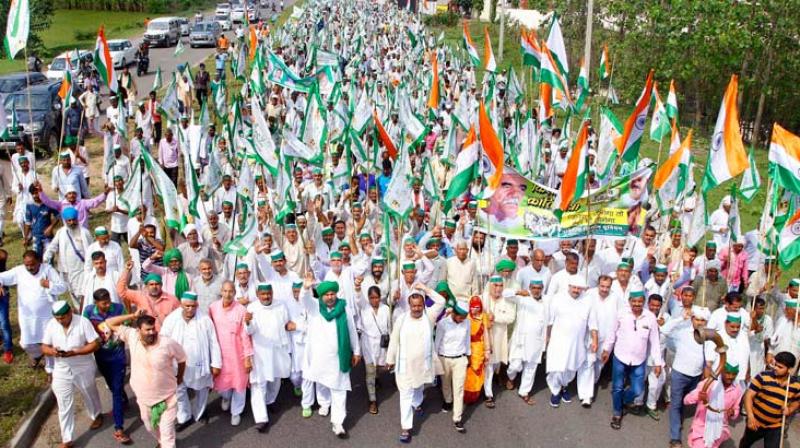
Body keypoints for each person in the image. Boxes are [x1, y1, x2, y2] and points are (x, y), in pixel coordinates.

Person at [106, 311, 187, 448]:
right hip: (144, 399)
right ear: (138, 330)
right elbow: (110, 322)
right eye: (147, 329)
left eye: (153, 328)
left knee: (168, 436)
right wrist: (132, 316)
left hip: (167, 399)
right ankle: (160, 441)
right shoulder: (132, 336)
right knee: (150, 427)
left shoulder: (167, 343)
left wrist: (179, 376)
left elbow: (182, 358)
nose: (151, 332)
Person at [299, 278, 361, 437]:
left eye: (332, 293)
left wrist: (356, 351)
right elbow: (304, 299)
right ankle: (324, 404)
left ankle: (338, 422)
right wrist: (306, 288)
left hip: (339, 356)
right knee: (322, 382)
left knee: (339, 388)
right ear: (321, 296)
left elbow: (352, 330)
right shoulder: (314, 307)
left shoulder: (344, 307)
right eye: (326, 294)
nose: (330, 297)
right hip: (320, 357)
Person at [385, 284, 445, 443]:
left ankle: (417, 403)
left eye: (420, 305)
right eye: (414, 306)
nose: (417, 308)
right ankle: (406, 428)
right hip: (404, 366)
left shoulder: (429, 316)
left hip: (422, 365)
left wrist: (425, 289)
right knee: (405, 395)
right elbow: (394, 340)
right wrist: (390, 359)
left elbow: (441, 301)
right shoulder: (401, 319)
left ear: (424, 305)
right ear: (409, 305)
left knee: (418, 387)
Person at [41, 300, 103, 447]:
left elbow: (95, 344)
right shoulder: (52, 324)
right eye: (57, 318)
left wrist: (75, 352)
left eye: (62, 317)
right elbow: (44, 347)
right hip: (61, 369)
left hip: (83, 367)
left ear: (70, 313)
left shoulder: (83, 322)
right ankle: (67, 439)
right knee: (64, 404)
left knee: (89, 392)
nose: (60, 321)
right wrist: (53, 352)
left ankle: (96, 414)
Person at [601, 290, 663, 429]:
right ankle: (617, 413)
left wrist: (658, 363)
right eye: (634, 301)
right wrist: (606, 350)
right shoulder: (621, 313)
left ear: (644, 302)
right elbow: (612, 333)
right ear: (629, 301)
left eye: (640, 301)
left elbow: (655, 342)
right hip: (620, 357)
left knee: (637, 389)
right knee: (617, 387)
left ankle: (621, 400)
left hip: (639, 360)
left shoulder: (650, 317)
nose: (636, 304)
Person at [161, 291, 222, 432]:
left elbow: (214, 342)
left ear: (197, 305)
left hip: (200, 363)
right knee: (179, 390)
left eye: (193, 306)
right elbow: (163, 340)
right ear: (181, 305)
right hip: (177, 365)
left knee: (201, 389)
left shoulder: (205, 320)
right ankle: (184, 417)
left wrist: (216, 364)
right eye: (187, 306)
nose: (190, 309)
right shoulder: (171, 319)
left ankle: (200, 412)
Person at [0, 250, 67, 368]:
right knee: (26, 343)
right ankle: (37, 355)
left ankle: (50, 369)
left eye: (32, 264)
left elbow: (63, 287)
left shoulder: (48, 270)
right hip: (27, 316)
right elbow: (1, 277)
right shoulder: (19, 271)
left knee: (49, 342)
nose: (29, 267)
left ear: (39, 262)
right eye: (27, 265)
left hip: (47, 315)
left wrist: (50, 285)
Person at [82, 288, 131, 444]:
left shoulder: (118, 308)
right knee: (112, 386)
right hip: (101, 356)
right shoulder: (89, 312)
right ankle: (123, 399)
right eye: (104, 303)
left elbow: (128, 324)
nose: (108, 305)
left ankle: (119, 428)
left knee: (115, 390)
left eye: (109, 301)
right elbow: (84, 330)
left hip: (118, 355)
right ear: (96, 303)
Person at [245, 283, 293, 432]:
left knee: (276, 379)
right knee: (259, 384)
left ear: (272, 293)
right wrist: (247, 322)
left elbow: (286, 324)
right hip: (260, 352)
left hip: (278, 350)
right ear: (258, 295)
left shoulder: (281, 305)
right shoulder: (252, 308)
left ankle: (270, 400)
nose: (266, 296)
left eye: (268, 293)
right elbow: (249, 331)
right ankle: (261, 419)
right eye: (263, 294)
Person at [546, 275, 598, 408]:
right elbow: (550, 320)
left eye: (578, 288)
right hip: (558, 340)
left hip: (576, 343)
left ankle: (564, 386)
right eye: (574, 287)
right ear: (569, 286)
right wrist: (547, 338)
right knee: (557, 368)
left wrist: (595, 340)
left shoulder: (588, 301)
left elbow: (593, 324)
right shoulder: (558, 298)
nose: (576, 290)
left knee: (571, 369)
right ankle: (555, 391)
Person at [663, 305, 711, 448]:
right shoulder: (682, 331)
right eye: (697, 319)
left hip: (696, 377)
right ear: (692, 319)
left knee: (687, 402)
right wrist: (680, 319)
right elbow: (664, 330)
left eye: (703, 320)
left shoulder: (708, 336)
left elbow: (709, 355)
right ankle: (675, 437)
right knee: (676, 404)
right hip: (679, 374)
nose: (700, 322)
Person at [209, 281, 253, 426]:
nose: (228, 294)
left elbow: (245, 336)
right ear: (221, 291)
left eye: (231, 291)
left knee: (239, 384)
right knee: (223, 386)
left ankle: (236, 412)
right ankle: (226, 398)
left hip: (237, 355)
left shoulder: (241, 310)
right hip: (219, 355)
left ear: (235, 293)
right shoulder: (213, 308)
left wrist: (247, 358)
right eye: (225, 291)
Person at [739, 351, 800, 448]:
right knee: (745, 443)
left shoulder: (796, 385)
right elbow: (749, 395)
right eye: (775, 365)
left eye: (780, 367)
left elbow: (797, 401)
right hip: (756, 421)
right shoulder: (763, 376)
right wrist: (750, 416)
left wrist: (790, 410)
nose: (775, 368)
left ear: (790, 369)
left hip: (775, 426)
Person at [506, 279, 548, 405]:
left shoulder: (546, 301)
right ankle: (510, 377)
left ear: (542, 288)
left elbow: (547, 322)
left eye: (539, 288)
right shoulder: (523, 299)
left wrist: (545, 342)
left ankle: (524, 392)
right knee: (515, 365)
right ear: (529, 287)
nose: (536, 290)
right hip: (521, 339)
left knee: (531, 368)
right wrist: (518, 292)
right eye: (534, 287)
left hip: (537, 341)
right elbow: (505, 294)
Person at [683, 362, 743, 448]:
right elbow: (686, 400)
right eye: (728, 373)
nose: (730, 377)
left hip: (719, 429)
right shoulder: (708, 383)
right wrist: (698, 396)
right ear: (721, 371)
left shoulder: (737, 389)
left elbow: (736, 410)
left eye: (734, 374)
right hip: (701, 426)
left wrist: (733, 413)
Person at [481, 274, 516, 408]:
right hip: (484, 337)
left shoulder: (507, 300)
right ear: (489, 285)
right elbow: (474, 313)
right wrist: (485, 318)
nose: (498, 288)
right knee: (487, 365)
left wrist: (495, 318)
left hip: (499, 338)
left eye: (501, 285)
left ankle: (487, 386)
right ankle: (488, 393)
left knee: (494, 364)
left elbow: (510, 318)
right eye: (495, 285)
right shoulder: (482, 298)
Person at [355, 282, 390, 415]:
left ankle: (377, 377)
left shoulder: (386, 308)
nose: (374, 300)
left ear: (380, 297)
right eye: (372, 298)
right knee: (369, 371)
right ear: (368, 298)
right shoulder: (364, 307)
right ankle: (372, 400)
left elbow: (389, 327)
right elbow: (358, 298)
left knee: (381, 368)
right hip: (368, 343)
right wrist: (358, 288)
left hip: (381, 344)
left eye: (377, 297)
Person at [435, 300, 470, 432]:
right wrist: (435, 361)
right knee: (446, 383)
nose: (463, 320)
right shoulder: (443, 324)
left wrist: (468, 356)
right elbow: (437, 342)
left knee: (459, 389)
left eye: (465, 317)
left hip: (460, 359)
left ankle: (457, 418)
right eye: (461, 317)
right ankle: (448, 400)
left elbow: (467, 340)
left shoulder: (467, 323)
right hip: (444, 358)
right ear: (454, 313)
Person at [117, 260, 180, 330]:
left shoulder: (172, 300)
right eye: (151, 284)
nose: (154, 287)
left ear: (161, 285)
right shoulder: (140, 296)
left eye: (157, 284)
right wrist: (126, 270)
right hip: (145, 336)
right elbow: (121, 291)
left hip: (165, 336)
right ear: (146, 286)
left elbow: (181, 316)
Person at [464, 295, 491, 404]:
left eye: (477, 307)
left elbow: (486, 334)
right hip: (466, 347)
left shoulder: (483, 316)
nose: (475, 310)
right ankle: (465, 393)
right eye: (473, 307)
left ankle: (475, 393)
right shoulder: (466, 317)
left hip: (479, 348)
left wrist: (487, 350)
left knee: (477, 370)